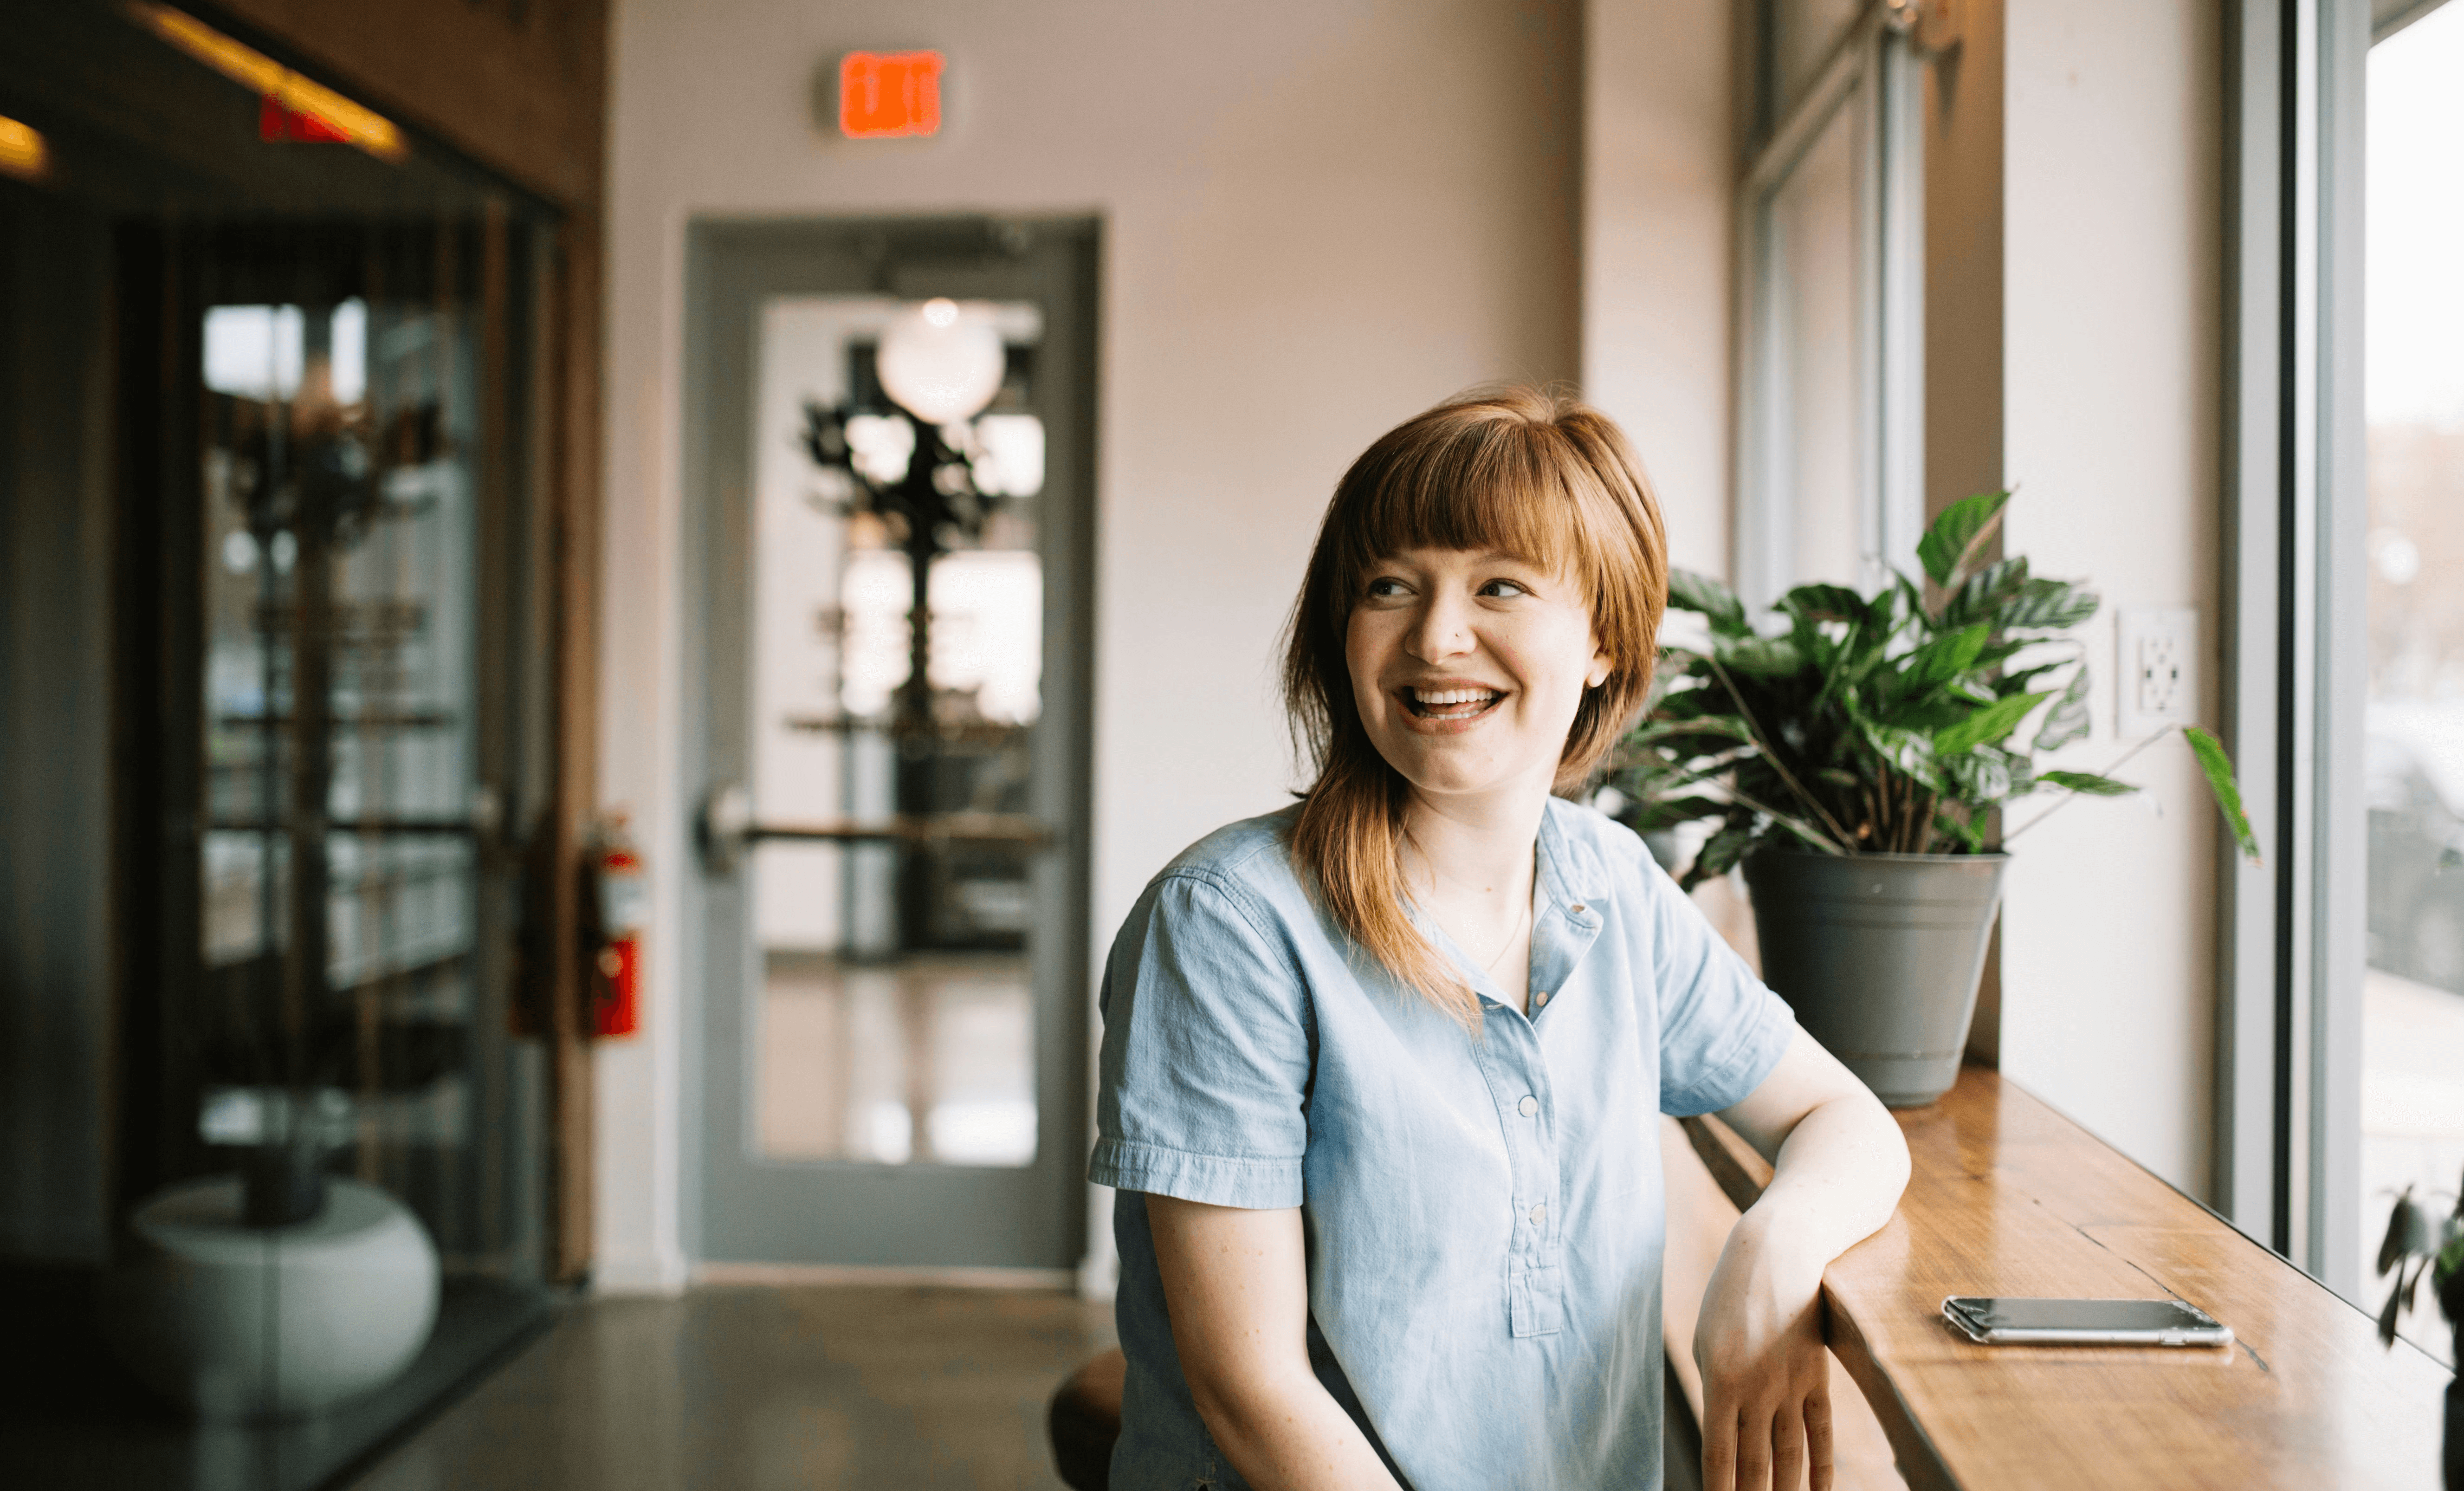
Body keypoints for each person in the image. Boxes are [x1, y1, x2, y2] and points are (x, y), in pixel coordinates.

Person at [1089, 388, 1911, 1491]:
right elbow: (1252, 1391)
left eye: (1497, 586)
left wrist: (1773, 1245)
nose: (1434, 636)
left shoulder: (1609, 883)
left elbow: (1841, 1118)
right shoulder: (1227, 922)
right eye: (1388, 586)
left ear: (1604, 645)